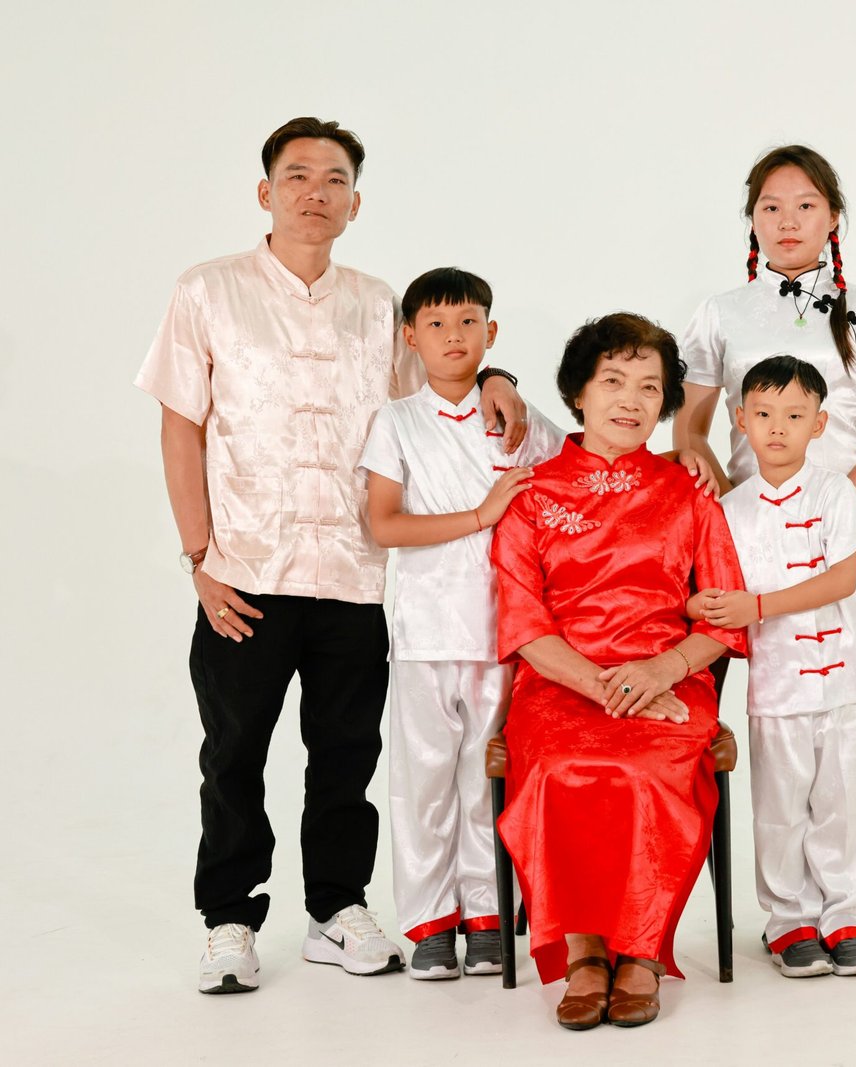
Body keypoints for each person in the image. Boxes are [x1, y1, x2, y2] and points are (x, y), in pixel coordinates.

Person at [135, 117, 528, 994]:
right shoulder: (208, 291)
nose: (317, 190)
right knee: (233, 753)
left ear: (356, 202)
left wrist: (505, 380)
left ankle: (337, 909)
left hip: (354, 573)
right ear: (266, 191)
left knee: (345, 755)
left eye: (336, 178)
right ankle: (229, 920)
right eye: (298, 174)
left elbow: (441, 382)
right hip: (244, 570)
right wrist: (199, 556)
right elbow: (178, 425)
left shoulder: (377, 301)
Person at [490, 313, 749, 1029]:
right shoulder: (533, 494)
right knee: (558, 766)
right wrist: (601, 684)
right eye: (613, 381)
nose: (630, 399)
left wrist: (663, 667)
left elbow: (724, 621)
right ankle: (583, 952)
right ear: (578, 391)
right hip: (559, 681)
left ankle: (640, 950)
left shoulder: (689, 490)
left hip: (670, 678)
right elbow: (523, 624)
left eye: (649, 386)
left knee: (645, 771)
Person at [358, 267, 566, 981]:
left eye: (470, 322)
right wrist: (481, 514)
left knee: (487, 777)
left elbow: (575, 480)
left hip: (504, 633)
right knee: (424, 781)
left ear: (492, 333)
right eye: (437, 324)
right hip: (424, 632)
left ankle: (486, 915)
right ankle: (430, 921)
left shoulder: (520, 418)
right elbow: (384, 524)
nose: (454, 336)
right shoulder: (397, 420)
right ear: (409, 336)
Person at [675, 144, 856, 660]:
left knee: (845, 692)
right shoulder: (720, 313)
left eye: (806, 206)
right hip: (752, 529)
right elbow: (690, 431)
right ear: (752, 219)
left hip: (849, 518)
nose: (788, 221)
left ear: (833, 216)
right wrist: (733, 511)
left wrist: (840, 504)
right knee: (771, 699)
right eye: (771, 207)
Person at [692, 355, 856, 979]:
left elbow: (845, 577)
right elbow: (710, 591)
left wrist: (759, 604)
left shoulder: (838, 492)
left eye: (795, 415)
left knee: (847, 801)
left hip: (845, 680)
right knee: (780, 807)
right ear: (740, 420)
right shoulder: (728, 509)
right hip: (775, 686)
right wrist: (705, 602)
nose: (779, 428)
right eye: (765, 414)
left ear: (820, 423)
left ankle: (845, 919)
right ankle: (790, 924)